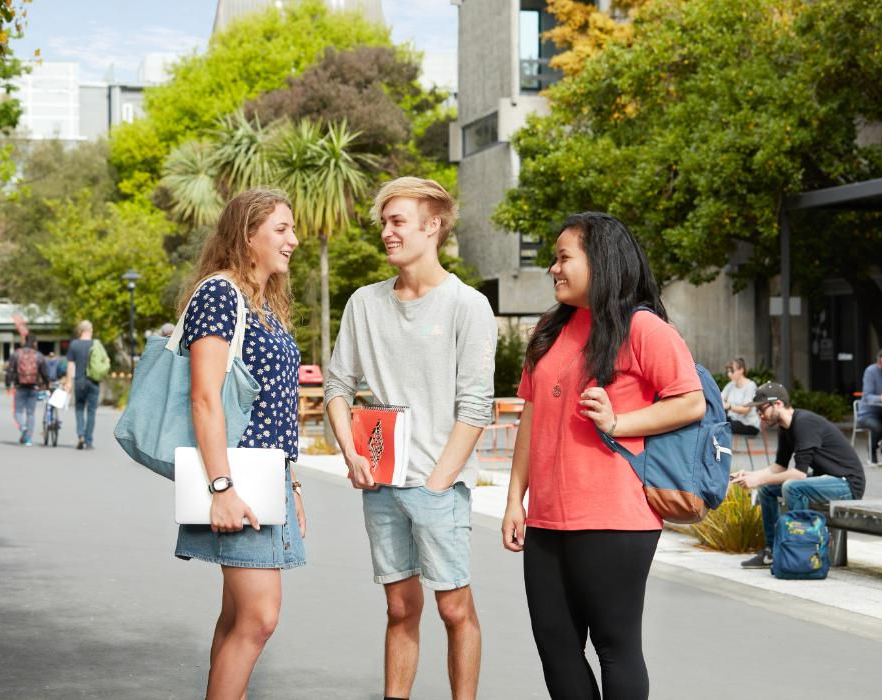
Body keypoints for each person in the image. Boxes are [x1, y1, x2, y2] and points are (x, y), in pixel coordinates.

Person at [501, 212, 705, 700]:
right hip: (548, 519)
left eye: (564, 257)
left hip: (615, 517)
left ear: (602, 261)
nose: (554, 268)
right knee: (555, 645)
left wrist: (619, 423)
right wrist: (515, 500)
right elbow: (531, 416)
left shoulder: (643, 328)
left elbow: (690, 400)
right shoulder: (550, 329)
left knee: (615, 647)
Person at [325, 177, 497, 700]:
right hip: (380, 483)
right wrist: (351, 454)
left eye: (397, 221)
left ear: (432, 227)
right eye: (384, 222)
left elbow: (475, 406)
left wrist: (440, 482)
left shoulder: (468, 306)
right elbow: (337, 386)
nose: (386, 232)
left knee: (453, 608)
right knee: (400, 607)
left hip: (438, 484)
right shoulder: (364, 303)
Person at [173, 189, 306, 699]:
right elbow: (205, 399)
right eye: (281, 228)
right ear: (247, 235)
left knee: (235, 619)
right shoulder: (219, 294)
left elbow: (274, 407)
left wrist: (291, 481)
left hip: (265, 480)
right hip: (239, 482)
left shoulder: (262, 304)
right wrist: (222, 487)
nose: (292, 239)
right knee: (259, 617)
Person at [733, 381, 866, 569]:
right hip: (825, 481)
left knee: (792, 487)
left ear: (777, 404)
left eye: (762, 409)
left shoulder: (804, 423)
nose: (760, 415)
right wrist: (751, 475)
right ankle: (771, 552)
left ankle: (799, 550)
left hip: (847, 484)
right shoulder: (785, 428)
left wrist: (757, 479)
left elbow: (799, 475)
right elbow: (778, 467)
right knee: (767, 490)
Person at [5, 335, 51, 446]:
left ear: (24, 341)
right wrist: (47, 384)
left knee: (18, 411)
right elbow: (45, 372)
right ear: (34, 343)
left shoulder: (17, 354)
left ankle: (23, 427)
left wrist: (8, 384)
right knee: (31, 413)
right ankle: (28, 439)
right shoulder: (38, 355)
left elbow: (10, 370)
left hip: (19, 386)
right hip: (34, 387)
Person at [63, 320, 99, 450]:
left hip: (79, 381)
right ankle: (89, 441)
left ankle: (81, 435)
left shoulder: (74, 344)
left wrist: (69, 382)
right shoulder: (96, 344)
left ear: (80, 330)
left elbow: (71, 364)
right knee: (91, 411)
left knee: (79, 408)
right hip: (94, 381)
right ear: (90, 330)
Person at [721, 357, 760, 436]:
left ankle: (721, 448)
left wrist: (729, 406)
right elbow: (719, 398)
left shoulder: (750, 386)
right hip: (734, 419)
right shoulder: (731, 385)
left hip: (749, 424)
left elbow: (746, 410)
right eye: (728, 371)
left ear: (741, 370)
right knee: (714, 423)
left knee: (721, 427)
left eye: (732, 371)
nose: (729, 374)